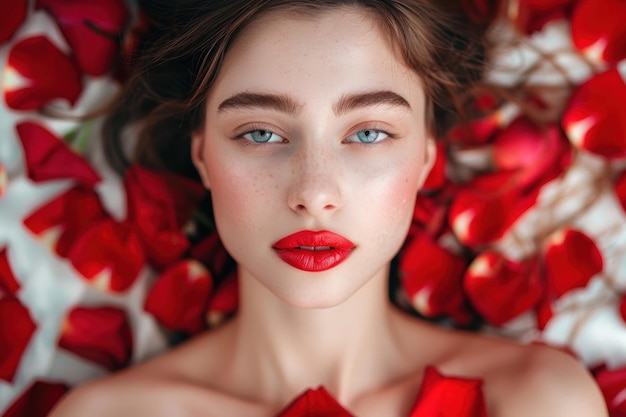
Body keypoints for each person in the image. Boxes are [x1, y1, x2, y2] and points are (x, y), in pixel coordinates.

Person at [49, 0, 608, 416]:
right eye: (261, 133)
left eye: (368, 133)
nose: (314, 192)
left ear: (424, 159)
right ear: (202, 154)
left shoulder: (538, 402)